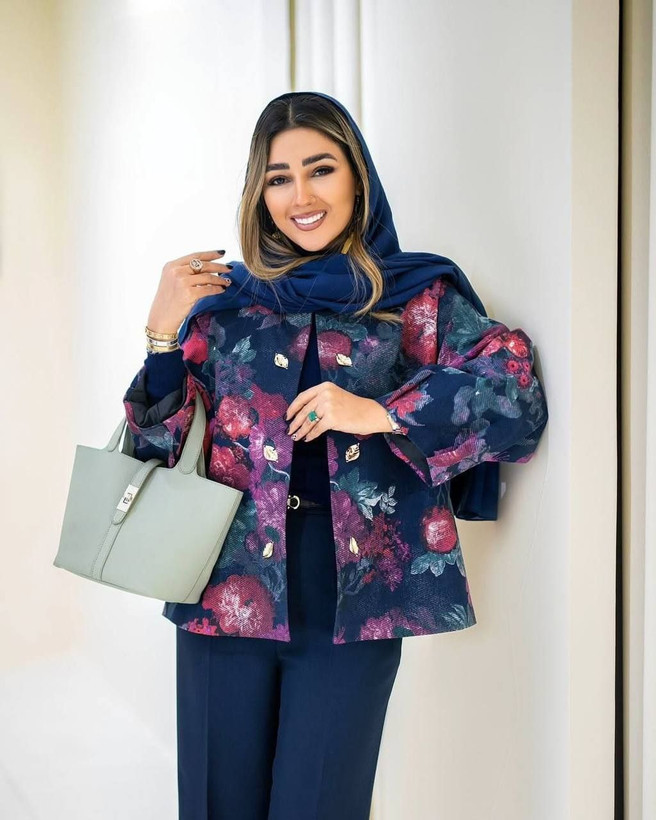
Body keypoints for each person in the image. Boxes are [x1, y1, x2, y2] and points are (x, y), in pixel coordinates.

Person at [122, 91, 549, 819]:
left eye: (321, 169)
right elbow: (153, 451)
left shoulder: (413, 298)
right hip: (223, 591)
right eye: (279, 177)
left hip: (355, 599)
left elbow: (515, 394)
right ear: (260, 194)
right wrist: (162, 337)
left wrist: (379, 411)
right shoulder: (225, 306)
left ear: (358, 176)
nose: (302, 196)